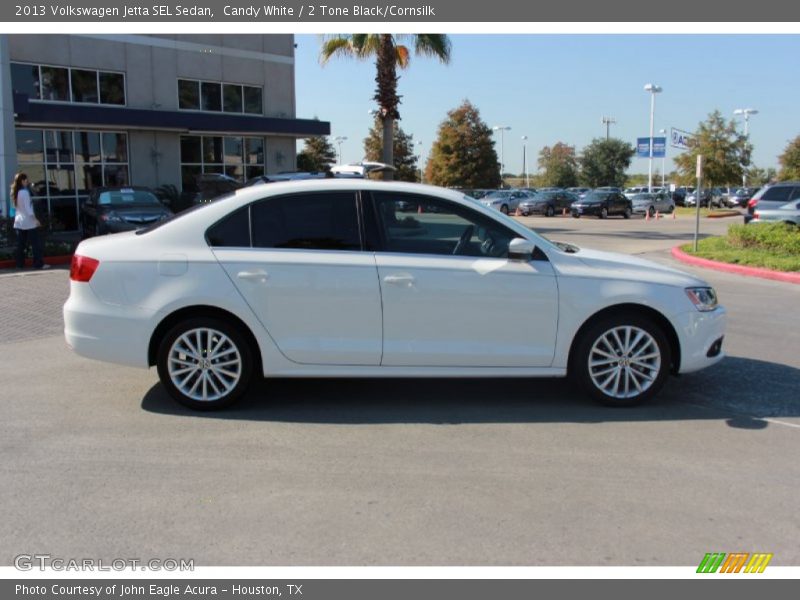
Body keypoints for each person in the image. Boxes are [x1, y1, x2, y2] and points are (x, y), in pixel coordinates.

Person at [11, 172, 48, 270]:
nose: (27, 181)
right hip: (29, 221)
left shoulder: (15, 192)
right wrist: (35, 220)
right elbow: (28, 209)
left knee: (21, 244)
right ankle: (38, 264)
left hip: (19, 221)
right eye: (26, 180)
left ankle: (19, 264)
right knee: (35, 244)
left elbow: (15, 208)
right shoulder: (25, 192)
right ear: (22, 181)